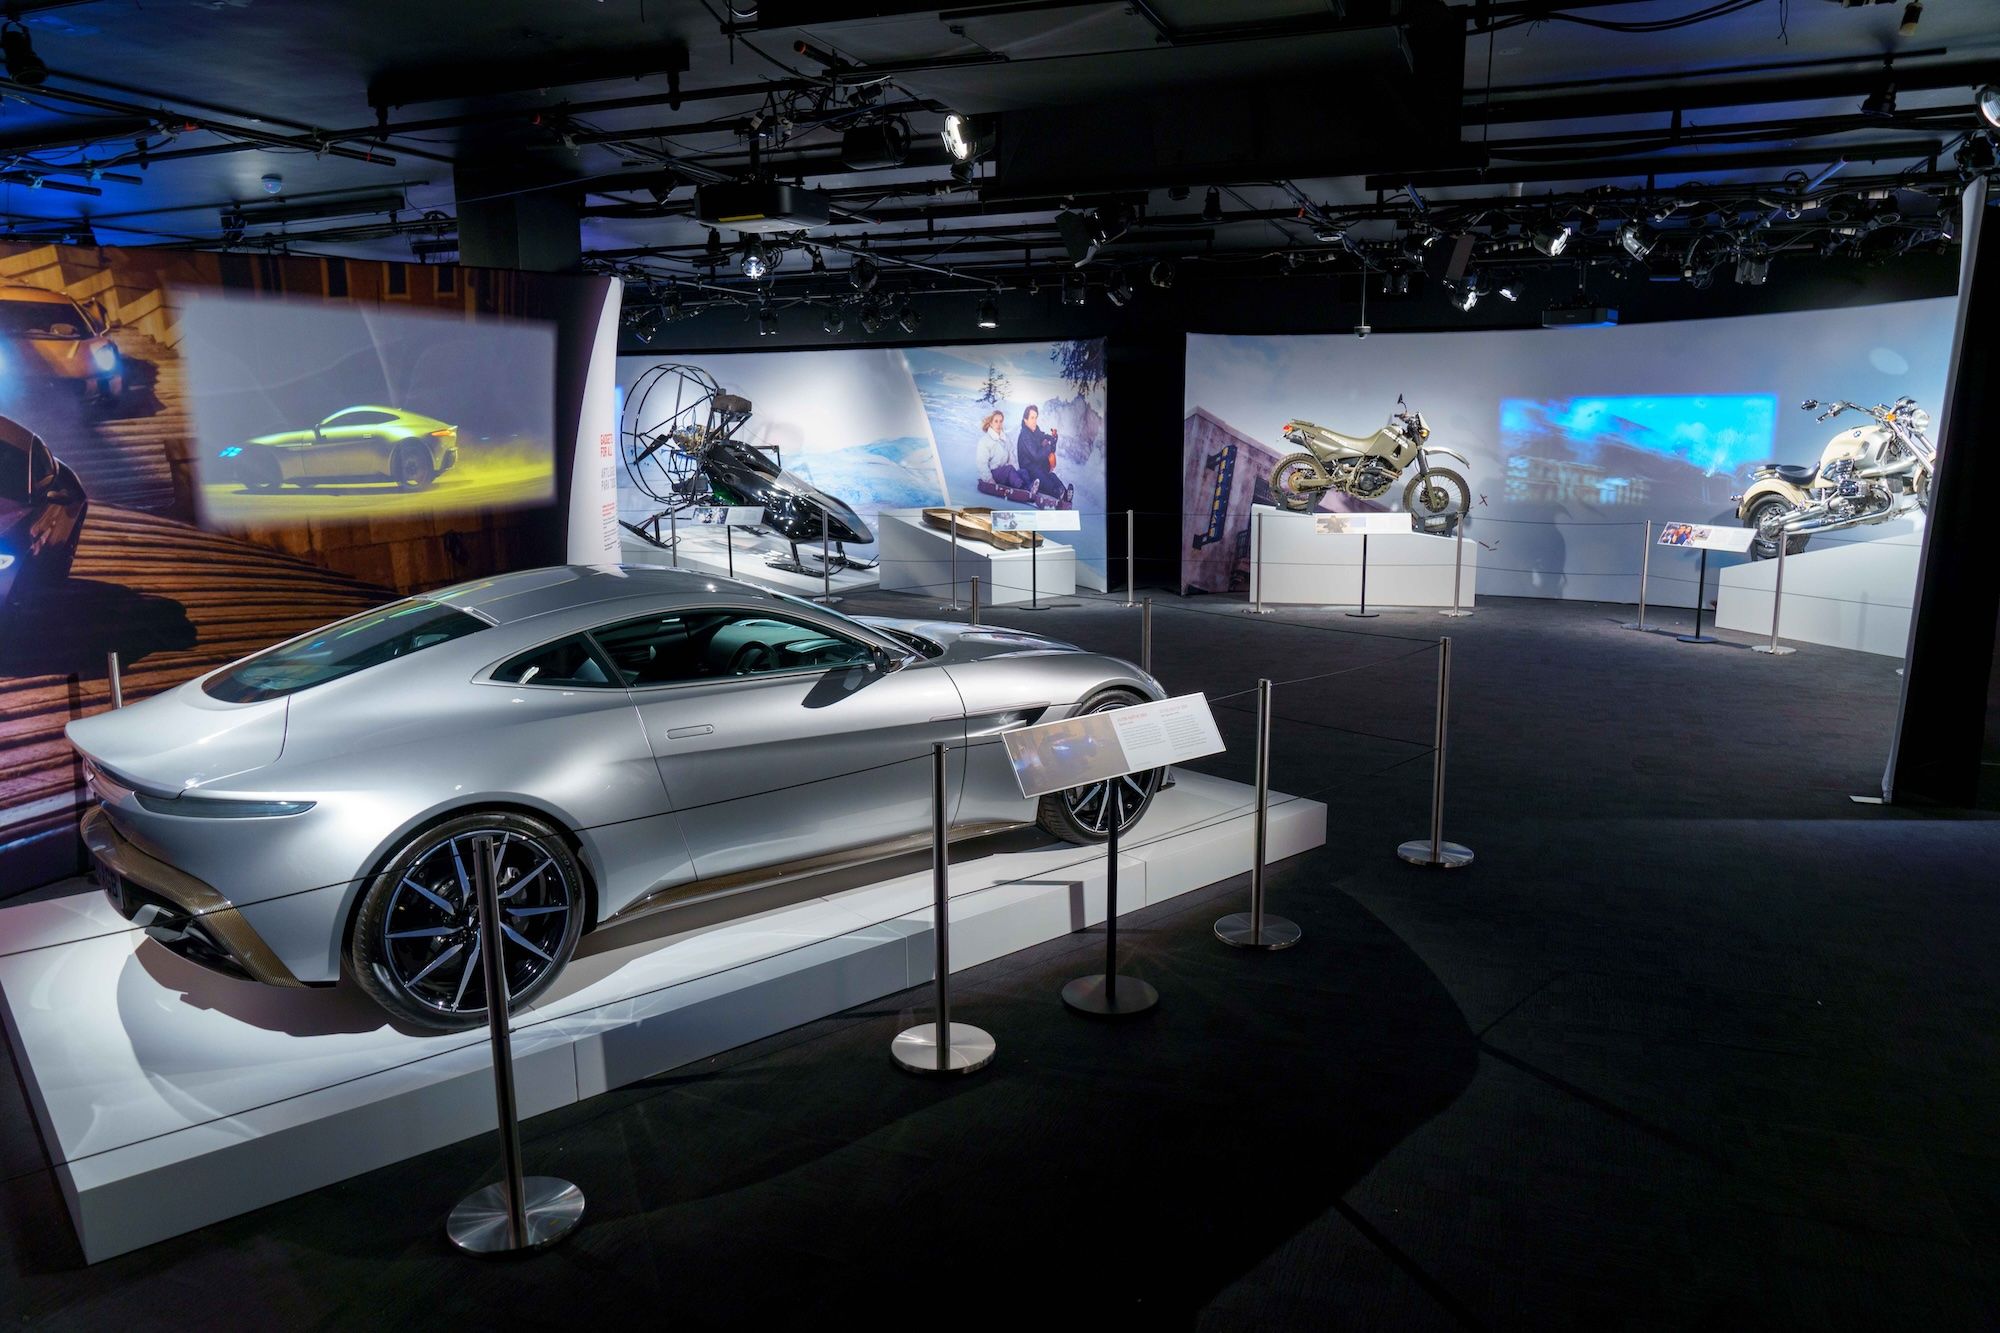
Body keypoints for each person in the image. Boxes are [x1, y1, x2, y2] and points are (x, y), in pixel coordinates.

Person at [1015, 405, 1074, 505]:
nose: (1034, 420)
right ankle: (1058, 493)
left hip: (1038, 466)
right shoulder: (1025, 435)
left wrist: (1053, 439)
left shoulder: (1035, 431)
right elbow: (1036, 455)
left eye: (1036, 417)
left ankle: (1065, 492)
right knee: (1044, 478)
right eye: (1032, 418)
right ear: (1025, 420)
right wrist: (1048, 446)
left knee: (1052, 476)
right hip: (1029, 468)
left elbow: (1045, 438)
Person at [976, 409, 1032, 489]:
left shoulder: (1005, 439)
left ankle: (1030, 487)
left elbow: (1012, 459)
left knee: (1023, 471)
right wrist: (989, 480)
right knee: (1009, 469)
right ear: (991, 423)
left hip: (1004, 474)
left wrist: (1017, 473)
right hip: (992, 474)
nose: (999, 424)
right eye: (996, 421)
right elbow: (981, 463)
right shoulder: (985, 441)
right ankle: (1024, 489)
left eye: (1001, 421)